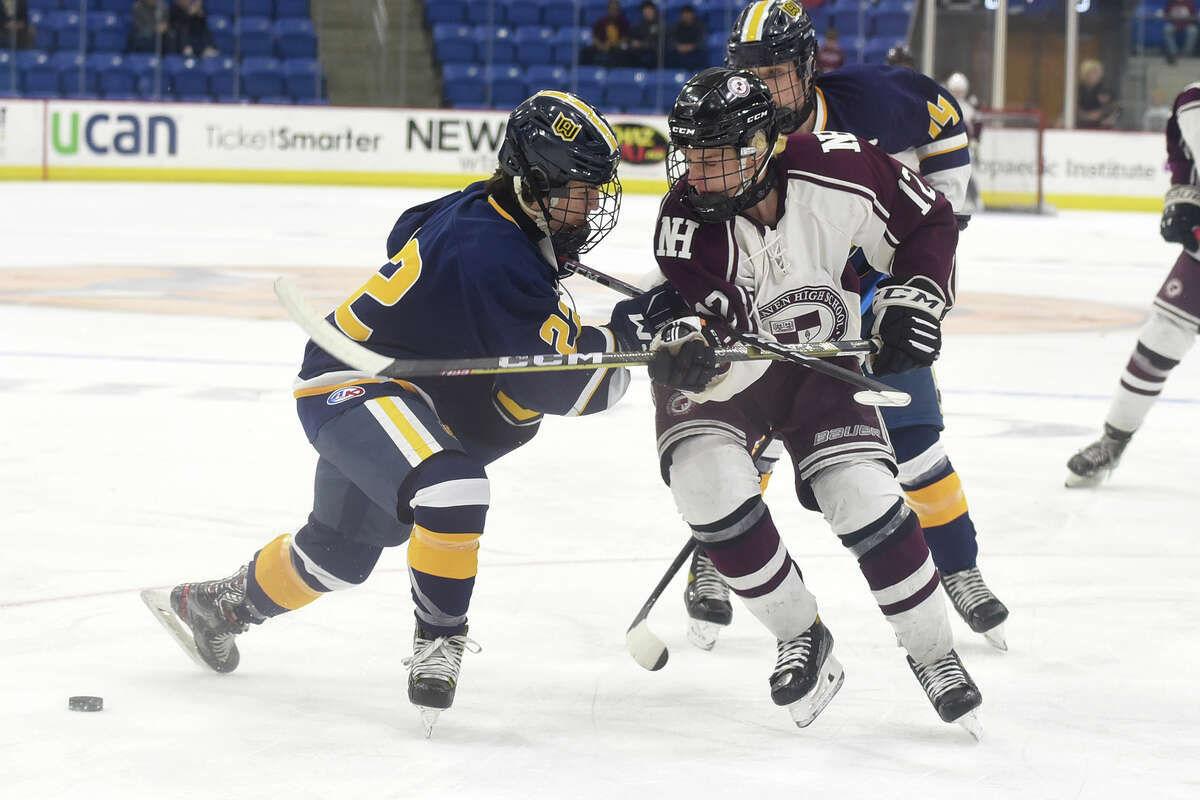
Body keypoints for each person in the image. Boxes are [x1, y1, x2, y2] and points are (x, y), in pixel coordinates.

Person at [142, 91, 681, 736]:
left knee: (339, 555)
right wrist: (636, 342)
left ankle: (218, 605)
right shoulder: (493, 249)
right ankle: (440, 642)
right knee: (452, 487)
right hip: (353, 384)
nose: (590, 207)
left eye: (596, 192)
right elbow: (561, 386)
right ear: (531, 181)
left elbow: (409, 229)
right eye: (576, 192)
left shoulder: (489, 216)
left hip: (401, 390)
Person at [646, 66, 983, 734]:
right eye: (693, 154)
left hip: (824, 359)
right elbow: (717, 328)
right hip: (736, 369)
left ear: (766, 144)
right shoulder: (683, 225)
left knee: (864, 498)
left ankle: (933, 653)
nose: (700, 174)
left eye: (720, 154)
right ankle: (801, 633)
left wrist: (909, 298)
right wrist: (687, 346)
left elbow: (927, 222)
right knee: (704, 483)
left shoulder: (845, 167)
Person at [677, 0, 1008, 657]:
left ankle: (959, 565)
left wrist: (943, 213)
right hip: (788, 282)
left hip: (875, 281)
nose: (761, 90)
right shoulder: (735, 132)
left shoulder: (878, 101)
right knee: (760, 418)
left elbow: (941, 118)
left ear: (807, 69)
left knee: (910, 431)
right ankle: (716, 553)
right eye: (750, 74)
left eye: (775, 74)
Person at [1065, 82, 1200, 486]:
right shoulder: (1192, 99)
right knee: (1160, 338)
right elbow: (1182, 154)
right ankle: (1113, 441)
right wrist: (1183, 197)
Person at [946, 71, 983, 214]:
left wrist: (975, 140)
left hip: (965, 146)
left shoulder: (970, 105)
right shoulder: (945, 102)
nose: (957, 94)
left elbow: (978, 124)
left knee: (968, 173)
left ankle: (975, 199)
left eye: (960, 91)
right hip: (949, 146)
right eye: (955, 91)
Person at [584, 0, 630, 66]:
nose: (613, 10)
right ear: (608, 9)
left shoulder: (624, 22)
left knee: (623, 53)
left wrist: (612, 45)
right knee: (586, 51)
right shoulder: (601, 21)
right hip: (602, 45)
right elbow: (595, 37)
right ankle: (587, 71)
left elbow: (625, 38)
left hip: (616, 47)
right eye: (612, 8)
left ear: (619, 10)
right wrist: (601, 46)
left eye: (616, 9)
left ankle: (618, 73)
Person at [1077, 59, 1119, 129]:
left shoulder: (1104, 89)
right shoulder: (1080, 89)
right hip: (1081, 124)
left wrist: (1106, 115)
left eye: (1097, 72)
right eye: (1092, 72)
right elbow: (1074, 107)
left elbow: (1115, 108)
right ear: (1085, 73)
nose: (1095, 75)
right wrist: (1085, 115)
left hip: (1100, 125)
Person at [667, 3, 706, 71]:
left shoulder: (699, 26)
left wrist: (691, 47)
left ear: (693, 15)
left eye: (688, 13)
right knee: (671, 56)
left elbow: (702, 41)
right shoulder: (677, 26)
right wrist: (678, 47)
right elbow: (672, 39)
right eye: (684, 14)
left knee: (699, 56)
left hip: (694, 52)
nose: (686, 16)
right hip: (679, 53)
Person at [628, 0, 662, 69]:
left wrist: (642, 44)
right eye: (645, 10)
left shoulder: (661, 25)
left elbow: (659, 43)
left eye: (649, 9)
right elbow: (632, 39)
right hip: (640, 53)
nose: (647, 12)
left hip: (655, 54)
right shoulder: (639, 26)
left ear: (654, 10)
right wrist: (634, 43)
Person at [1163, 0, 1198, 66]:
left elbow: (1194, 16)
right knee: (1167, 29)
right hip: (1173, 24)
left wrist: (1188, 20)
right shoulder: (1171, 2)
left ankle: (1186, 53)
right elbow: (1165, 14)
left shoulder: (1190, 2)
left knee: (1193, 30)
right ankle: (1174, 53)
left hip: (1187, 24)